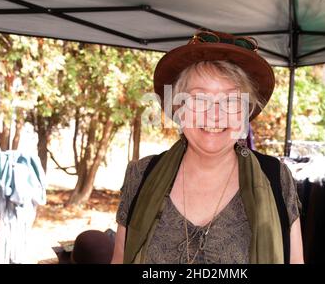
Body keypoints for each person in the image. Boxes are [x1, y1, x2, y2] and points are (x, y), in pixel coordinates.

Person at [112, 30, 304, 264]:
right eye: (199, 99)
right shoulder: (141, 175)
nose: (215, 115)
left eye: (231, 100)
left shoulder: (276, 178)